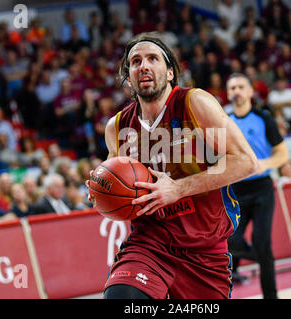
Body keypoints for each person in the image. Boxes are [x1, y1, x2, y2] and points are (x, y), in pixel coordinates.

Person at [86, 33, 258, 299]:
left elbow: (246, 162)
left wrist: (178, 189)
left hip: (204, 249)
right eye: (135, 61)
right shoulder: (117, 127)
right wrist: (102, 193)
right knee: (122, 298)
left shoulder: (195, 103)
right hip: (150, 243)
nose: (143, 65)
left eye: (152, 58)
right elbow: (119, 187)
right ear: (128, 77)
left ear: (169, 73)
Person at [224, 73, 289, 299]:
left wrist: (266, 164)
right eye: (232, 88)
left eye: (241, 87)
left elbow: (283, 153)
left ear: (251, 92)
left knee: (263, 242)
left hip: (262, 188)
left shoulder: (264, 118)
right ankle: (260, 259)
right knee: (230, 241)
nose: (237, 91)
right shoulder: (224, 121)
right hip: (235, 191)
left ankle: (271, 296)